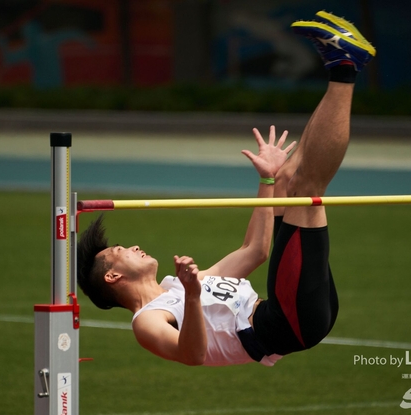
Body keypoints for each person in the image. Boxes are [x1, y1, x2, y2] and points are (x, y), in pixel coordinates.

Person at [77, 11, 376, 367]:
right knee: (308, 187)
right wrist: (191, 295)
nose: (134, 246)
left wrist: (266, 180)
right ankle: (344, 67)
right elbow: (193, 355)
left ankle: (340, 63)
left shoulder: (179, 285)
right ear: (113, 276)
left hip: (290, 307)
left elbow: (254, 251)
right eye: (121, 250)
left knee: (286, 179)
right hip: (286, 323)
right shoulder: (147, 321)